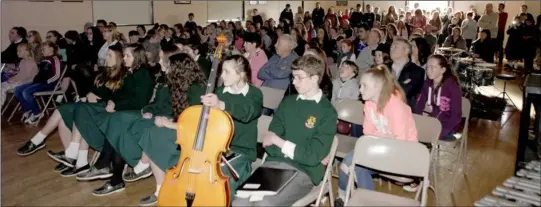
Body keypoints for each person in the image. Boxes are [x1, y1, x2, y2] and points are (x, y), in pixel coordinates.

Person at [233, 55, 337, 206]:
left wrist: (279, 142)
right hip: (274, 165)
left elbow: (311, 157)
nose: (293, 82)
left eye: (299, 77)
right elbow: (270, 143)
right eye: (293, 77)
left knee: (266, 204)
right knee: (238, 202)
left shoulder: (327, 112)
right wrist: (300, 152)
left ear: (314, 78)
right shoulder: (288, 102)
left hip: (304, 172)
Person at [47, 44, 154, 176]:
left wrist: (116, 105)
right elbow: (121, 94)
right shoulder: (131, 72)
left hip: (131, 112)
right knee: (82, 109)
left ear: (137, 57)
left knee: (85, 111)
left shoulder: (142, 74)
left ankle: (75, 157)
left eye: (127, 55)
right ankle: (75, 156)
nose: (124, 58)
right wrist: (112, 101)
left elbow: (139, 101)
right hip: (119, 107)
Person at [335, 65, 417, 204]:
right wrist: (373, 148)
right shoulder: (369, 103)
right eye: (360, 85)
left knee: (351, 163)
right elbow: (368, 133)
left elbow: (401, 143)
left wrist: (374, 149)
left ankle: (342, 195)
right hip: (378, 149)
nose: (360, 90)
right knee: (354, 165)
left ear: (379, 87)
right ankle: (352, 198)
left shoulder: (395, 106)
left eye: (364, 86)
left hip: (401, 155)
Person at [415, 55, 462, 141]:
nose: (429, 70)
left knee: (424, 135)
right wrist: (417, 121)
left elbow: (456, 115)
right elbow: (419, 105)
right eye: (428, 67)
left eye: (432, 67)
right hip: (432, 121)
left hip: (447, 126)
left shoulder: (452, 86)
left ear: (442, 70)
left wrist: (443, 132)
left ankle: (426, 150)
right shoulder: (427, 84)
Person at [14, 41, 62, 124]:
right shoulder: (44, 60)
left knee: (26, 92)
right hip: (39, 83)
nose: (42, 51)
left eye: (43, 49)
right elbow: (40, 74)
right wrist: (35, 80)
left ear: (51, 49)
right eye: (41, 50)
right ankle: (28, 109)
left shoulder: (55, 59)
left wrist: (47, 81)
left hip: (49, 84)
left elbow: (57, 75)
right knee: (17, 90)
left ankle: (37, 113)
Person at [389, 37, 425, 110]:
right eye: (391, 47)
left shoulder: (417, 71)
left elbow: (406, 92)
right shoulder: (384, 68)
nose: (391, 49)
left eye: (396, 46)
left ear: (406, 51)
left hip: (403, 111)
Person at [1, 43, 38, 107]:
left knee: (3, 88)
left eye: (19, 51)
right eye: (17, 51)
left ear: (27, 52)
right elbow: (20, 73)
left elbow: (27, 76)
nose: (17, 52)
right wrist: (13, 77)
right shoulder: (23, 61)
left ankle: (0, 104)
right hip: (20, 81)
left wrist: (15, 79)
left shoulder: (29, 62)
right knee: (2, 84)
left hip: (27, 83)